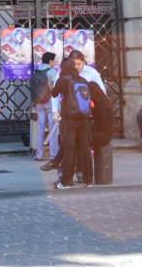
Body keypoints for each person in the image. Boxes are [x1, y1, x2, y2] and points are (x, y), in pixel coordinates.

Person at [50, 56, 92, 189]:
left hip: (70, 119)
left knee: (69, 150)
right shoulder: (82, 80)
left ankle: (65, 180)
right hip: (84, 119)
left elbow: (54, 94)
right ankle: (88, 180)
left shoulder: (62, 80)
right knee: (85, 149)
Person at [31, 51, 59, 162]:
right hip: (50, 102)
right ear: (50, 61)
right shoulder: (52, 72)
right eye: (54, 60)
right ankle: (53, 155)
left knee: (40, 128)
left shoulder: (36, 71)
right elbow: (55, 88)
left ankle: (39, 154)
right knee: (53, 130)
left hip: (39, 102)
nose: (55, 62)